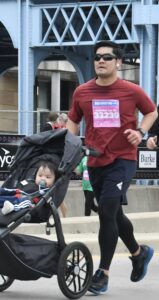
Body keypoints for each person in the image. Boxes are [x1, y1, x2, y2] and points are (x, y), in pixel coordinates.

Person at [66, 40, 158, 295]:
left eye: (107, 57)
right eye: (97, 57)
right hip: (95, 160)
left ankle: (102, 273)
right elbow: (73, 121)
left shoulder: (131, 90)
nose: (101, 61)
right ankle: (139, 253)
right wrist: (71, 148)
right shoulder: (82, 92)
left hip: (123, 159)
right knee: (114, 213)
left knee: (107, 212)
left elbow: (151, 112)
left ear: (118, 62)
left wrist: (140, 132)